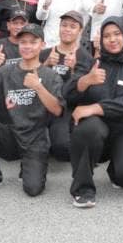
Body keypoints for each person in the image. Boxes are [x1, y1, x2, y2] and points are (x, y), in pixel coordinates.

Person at [64, 17, 123, 208]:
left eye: (117, 34)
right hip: (98, 127)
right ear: (101, 39)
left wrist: (95, 107)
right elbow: (68, 95)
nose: (112, 40)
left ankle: (117, 166)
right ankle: (83, 188)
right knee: (89, 128)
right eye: (106, 36)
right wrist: (86, 81)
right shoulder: (92, 64)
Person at [0, 24, 64, 198]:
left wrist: (38, 87)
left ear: (42, 44)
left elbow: (58, 110)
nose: (27, 46)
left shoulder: (51, 75)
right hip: (9, 135)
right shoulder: (5, 71)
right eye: (23, 42)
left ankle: (29, 165)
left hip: (35, 138)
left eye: (32, 42)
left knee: (33, 189)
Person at [40, 11, 93, 161]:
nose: (67, 29)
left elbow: (83, 94)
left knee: (62, 149)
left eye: (72, 26)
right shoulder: (45, 54)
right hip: (43, 104)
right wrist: (46, 65)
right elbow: (31, 81)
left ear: (80, 31)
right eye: (64, 25)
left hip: (67, 108)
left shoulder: (85, 57)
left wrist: (73, 70)